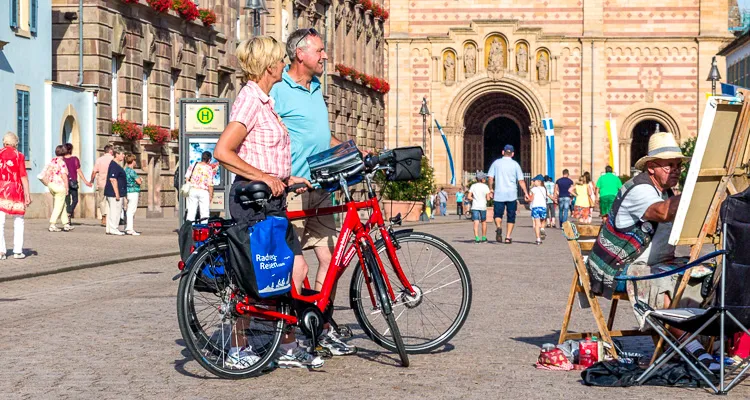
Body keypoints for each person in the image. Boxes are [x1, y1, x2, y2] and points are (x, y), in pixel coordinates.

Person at [214, 35, 322, 369]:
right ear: (268, 65)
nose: (282, 64)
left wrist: (288, 179)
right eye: (278, 59)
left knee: (292, 269)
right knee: (254, 275)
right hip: (252, 201)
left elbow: (265, 151)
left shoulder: (265, 101)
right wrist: (262, 176)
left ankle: (287, 344)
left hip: (272, 199)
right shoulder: (249, 99)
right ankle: (237, 347)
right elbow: (224, 151)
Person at [587, 131, 718, 370]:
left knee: (706, 271)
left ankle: (690, 341)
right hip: (616, 268)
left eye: (679, 165)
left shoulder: (667, 192)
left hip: (651, 262)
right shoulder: (639, 190)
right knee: (659, 280)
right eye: (670, 165)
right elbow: (663, 212)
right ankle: (692, 347)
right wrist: (697, 188)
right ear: (652, 167)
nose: (676, 170)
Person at [270, 27, 355, 357]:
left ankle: (318, 323)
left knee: (331, 259)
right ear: (299, 54)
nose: (325, 55)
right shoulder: (279, 90)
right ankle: (290, 337)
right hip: (293, 190)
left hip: (320, 187)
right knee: (295, 267)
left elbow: (321, 138)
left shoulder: (317, 87)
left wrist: (349, 151)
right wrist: (282, 175)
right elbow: (265, 137)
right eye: (319, 50)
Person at [487, 144, 529, 244]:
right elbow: (521, 181)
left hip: (499, 194)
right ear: (513, 154)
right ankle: (508, 237)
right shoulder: (515, 165)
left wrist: (491, 189)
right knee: (511, 216)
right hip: (512, 194)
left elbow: (490, 178)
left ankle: (498, 227)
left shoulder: (496, 163)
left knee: (497, 215)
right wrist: (526, 193)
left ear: (503, 152)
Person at [0, 132, 31, 259]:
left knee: (0, 221)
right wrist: (27, 194)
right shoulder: (20, 156)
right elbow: (23, 175)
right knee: (18, 220)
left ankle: (1, 251)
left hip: (1, 189)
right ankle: (18, 251)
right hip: (16, 189)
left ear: (4, 142)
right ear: (16, 143)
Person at [63, 143, 92, 224]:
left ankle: (68, 214)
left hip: (65, 182)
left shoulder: (62, 160)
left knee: (68, 200)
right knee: (75, 200)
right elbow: (78, 171)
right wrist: (85, 181)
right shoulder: (74, 159)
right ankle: (69, 215)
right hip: (73, 182)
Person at [46, 145, 72, 232]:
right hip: (60, 186)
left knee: (62, 204)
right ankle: (52, 224)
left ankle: (66, 223)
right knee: (58, 206)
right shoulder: (62, 163)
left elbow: (48, 172)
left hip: (51, 184)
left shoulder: (52, 161)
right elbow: (64, 176)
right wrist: (67, 187)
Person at [184, 151, 215, 222]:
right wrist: (211, 195)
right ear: (209, 159)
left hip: (193, 190)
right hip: (203, 192)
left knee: (191, 211)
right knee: (204, 212)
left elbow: (187, 178)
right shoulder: (209, 168)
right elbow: (210, 183)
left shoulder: (193, 165)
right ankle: (203, 228)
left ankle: (189, 228)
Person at [104, 148, 127, 235]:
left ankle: (110, 228)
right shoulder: (114, 165)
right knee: (115, 211)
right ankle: (114, 228)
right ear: (116, 154)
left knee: (111, 211)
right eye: (122, 154)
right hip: (114, 193)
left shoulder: (116, 165)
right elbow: (113, 179)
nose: (123, 156)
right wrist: (117, 193)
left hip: (113, 192)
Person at [90, 144, 114, 226]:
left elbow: (94, 171)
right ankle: (111, 217)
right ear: (110, 151)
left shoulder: (99, 160)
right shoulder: (113, 159)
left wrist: (91, 180)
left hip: (102, 183)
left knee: (102, 200)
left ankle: (104, 218)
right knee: (111, 200)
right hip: (112, 183)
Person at [468, 172, 491, 243]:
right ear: (482, 179)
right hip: (483, 206)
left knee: (476, 222)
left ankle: (477, 238)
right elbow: (488, 199)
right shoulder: (485, 187)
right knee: (483, 222)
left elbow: (469, 196)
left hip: (475, 206)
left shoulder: (473, 186)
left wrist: (474, 199)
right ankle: (484, 238)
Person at [124, 153, 142, 235]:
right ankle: (130, 229)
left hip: (127, 191)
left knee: (129, 210)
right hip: (134, 191)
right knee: (131, 211)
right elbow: (138, 181)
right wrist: (140, 180)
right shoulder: (132, 171)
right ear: (133, 161)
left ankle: (128, 227)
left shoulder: (125, 170)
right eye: (135, 160)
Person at [527, 174, 548, 245]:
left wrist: (527, 199)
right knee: (543, 221)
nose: (533, 182)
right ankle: (542, 229)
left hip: (535, 207)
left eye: (534, 181)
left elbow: (531, 199)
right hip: (543, 207)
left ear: (539, 181)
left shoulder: (533, 189)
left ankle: (538, 239)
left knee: (536, 223)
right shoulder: (544, 189)